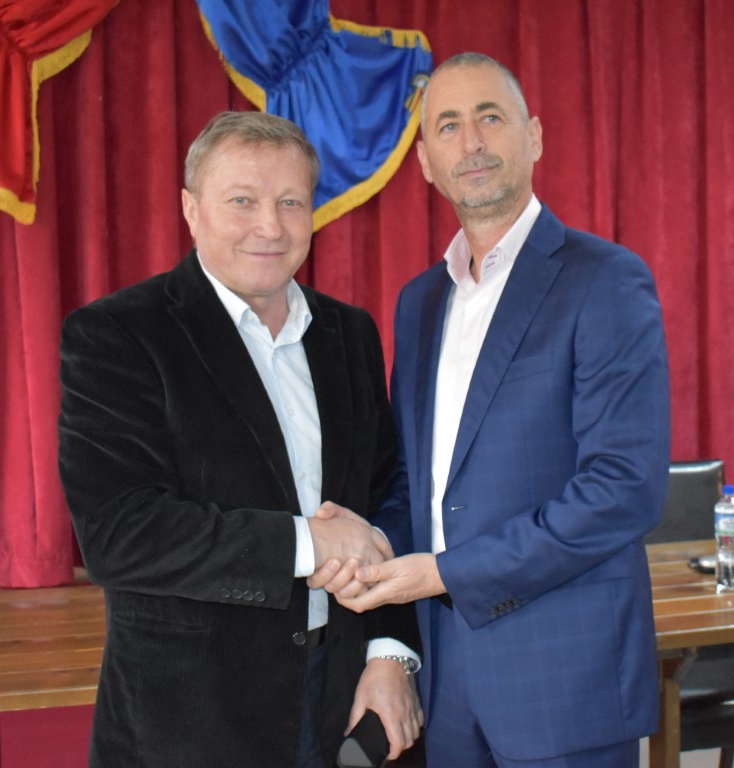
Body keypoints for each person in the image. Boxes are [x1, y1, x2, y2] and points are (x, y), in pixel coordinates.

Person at [315, 52, 671, 767]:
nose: (471, 141)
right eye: (448, 126)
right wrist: (368, 544)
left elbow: (623, 489)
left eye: (490, 117)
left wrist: (446, 574)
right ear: (425, 162)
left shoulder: (605, 279)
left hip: (566, 678)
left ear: (533, 137)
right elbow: (416, 482)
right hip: (448, 683)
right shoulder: (420, 303)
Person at [57, 111, 422, 767]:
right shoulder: (118, 335)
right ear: (191, 210)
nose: (270, 226)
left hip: (345, 697)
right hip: (192, 721)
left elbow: (388, 495)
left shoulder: (349, 334)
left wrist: (389, 653)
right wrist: (308, 543)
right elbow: (119, 534)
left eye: (290, 202)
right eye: (243, 201)